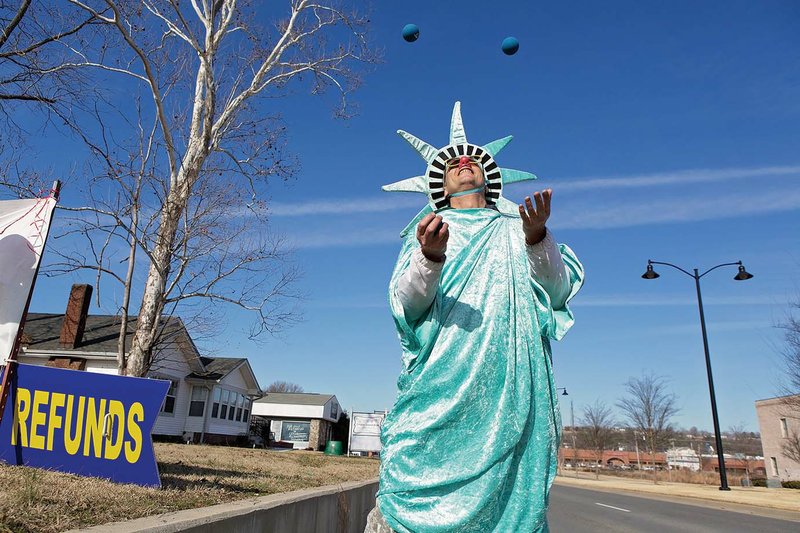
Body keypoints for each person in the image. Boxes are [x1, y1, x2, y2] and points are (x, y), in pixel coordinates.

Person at [366, 103, 584, 533]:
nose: (463, 163)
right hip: (442, 376)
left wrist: (537, 238)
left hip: (511, 383)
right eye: (453, 164)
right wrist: (430, 258)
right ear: (441, 185)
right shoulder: (430, 229)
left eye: (472, 160)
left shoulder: (517, 228)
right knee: (417, 469)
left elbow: (557, 293)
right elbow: (406, 308)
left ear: (488, 176)